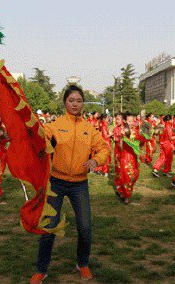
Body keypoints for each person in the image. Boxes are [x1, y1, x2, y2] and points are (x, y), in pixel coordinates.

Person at [30, 85, 110, 284]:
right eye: (71, 100)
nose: (75, 104)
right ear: (65, 102)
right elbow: (40, 139)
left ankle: (82, 263)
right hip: (56, 182)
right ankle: (41, 269)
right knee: (49, 227)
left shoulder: (89, 128)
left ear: (83, 103)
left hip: (79, 185)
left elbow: (103, 149)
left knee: (85, 228)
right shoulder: (55, 125)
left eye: (79, 101)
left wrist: (96, 160)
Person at [116, 112, 146, 204]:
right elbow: (120, 147)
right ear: (125, 121)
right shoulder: (123, 131)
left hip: (135, 156)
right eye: (129, 121)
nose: (131, 122)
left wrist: (143, 139)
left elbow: (141, 144)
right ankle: (126, 196)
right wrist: (122, 138)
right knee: (127, 176)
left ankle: (122, 191)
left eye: (132, 121)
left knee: (135, 175)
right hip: (126, 157)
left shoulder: (137, 130)